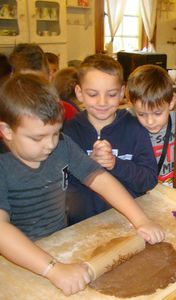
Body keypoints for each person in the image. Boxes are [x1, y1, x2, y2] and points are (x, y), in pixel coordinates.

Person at [0, 73, 165, 295]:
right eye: (38, 138)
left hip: (61, 243)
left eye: (56, 133)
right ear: (7, 131)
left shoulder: (62, 145)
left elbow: (101, 179)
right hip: (18, 257)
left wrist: (141, 220)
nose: (50, 145)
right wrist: (52, 269)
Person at [63, 54, 158, 225]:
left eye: (112, 94)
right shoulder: (68, 132)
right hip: (82, 225)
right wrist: (85, 165)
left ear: (122, 92)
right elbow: (61, 186)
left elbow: (148, 180)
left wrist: (116, 164)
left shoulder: (135, 129)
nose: (102, 102)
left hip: (128, 221)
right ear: (79, 93)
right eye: (93, 94)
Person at [126, 65, 176, 187]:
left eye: (157, 113)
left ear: (172, 102)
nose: (150, 121)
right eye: (141, 114)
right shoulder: (129, 127)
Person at [9, 43, 78, 121]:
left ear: (50, 77)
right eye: (24, 83)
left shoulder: (66, 112)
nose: (31, 91)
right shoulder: (5, 114)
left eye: (38, 85)